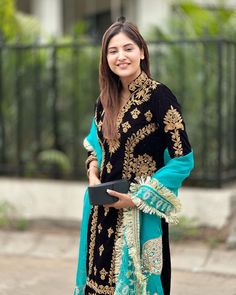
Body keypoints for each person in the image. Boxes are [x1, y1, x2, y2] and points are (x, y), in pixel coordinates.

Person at [74, 18, 194, 295]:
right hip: (100, 214)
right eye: (113, 51)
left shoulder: (160, 97)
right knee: (98, 285)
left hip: (138, 216)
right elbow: (95, 147)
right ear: (106, 58)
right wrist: (93, 173)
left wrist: (138, 198)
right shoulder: (105, 100)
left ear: (142, 51)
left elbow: (182, 159)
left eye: (128, 48)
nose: (121, 56)